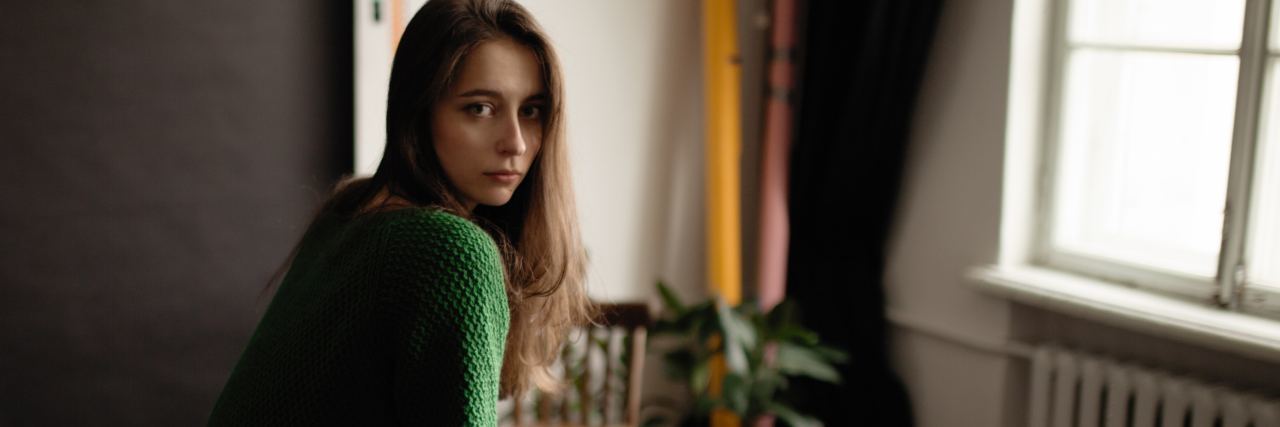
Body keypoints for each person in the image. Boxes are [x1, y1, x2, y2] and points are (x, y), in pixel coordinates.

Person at [208, 0, 591, 424]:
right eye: (480, 108)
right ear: (419, 110)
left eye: (531, 111)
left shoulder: (351, 211)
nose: (516, 142)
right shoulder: (450, 251)